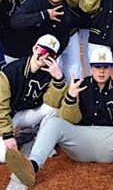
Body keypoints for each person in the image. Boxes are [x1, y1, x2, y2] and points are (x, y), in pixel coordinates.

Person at [5, 46, 113, 187]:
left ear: (111, 68)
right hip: (81, 142)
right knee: (54, 122)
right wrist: (71, 98)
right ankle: (32, 166)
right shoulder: (79, 85)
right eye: (97, 66)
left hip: (111, 143)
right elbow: (68, 119)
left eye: (105, 66)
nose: (101, 71)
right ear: (91, 67)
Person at [0, 34, 66, 163]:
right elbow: (1, 107)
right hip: (6, 116)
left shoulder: (50, 73)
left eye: (51, 55)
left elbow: (53, 103)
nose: (45, 56)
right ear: (35, 48)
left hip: (22, 115)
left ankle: (42, 140)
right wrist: (7, 135)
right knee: (3, 157)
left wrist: (58, 79)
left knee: (56, 109)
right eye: (43, 50)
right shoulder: (11, 71)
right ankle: (15, 134)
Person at [10, 0, 79, 81]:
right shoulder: (34, 2)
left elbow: (62, 41)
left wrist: (47, 58)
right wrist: (45, 15)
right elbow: (15, 21)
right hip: (21, 51)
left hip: (46, 55)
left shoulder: (67, 13)